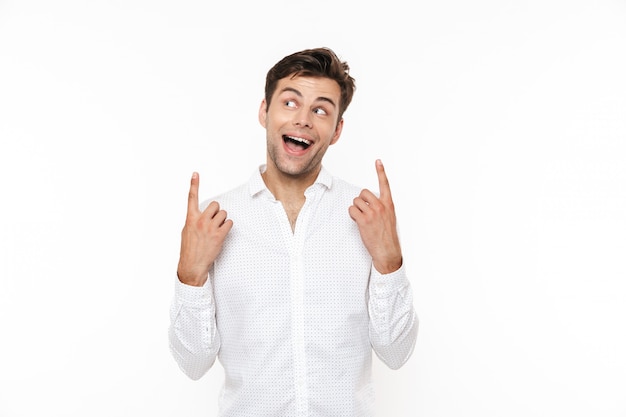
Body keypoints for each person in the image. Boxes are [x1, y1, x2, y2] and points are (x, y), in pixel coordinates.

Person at [168, 47, 418, 416]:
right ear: (264, 111)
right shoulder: (215, 220)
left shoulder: (368, 217)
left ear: (336, 131)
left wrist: (389, 261)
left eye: (321, 110)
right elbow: (192, 363)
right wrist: (190, 274)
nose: (303, 119)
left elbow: (396, 353)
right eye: (290, 102)